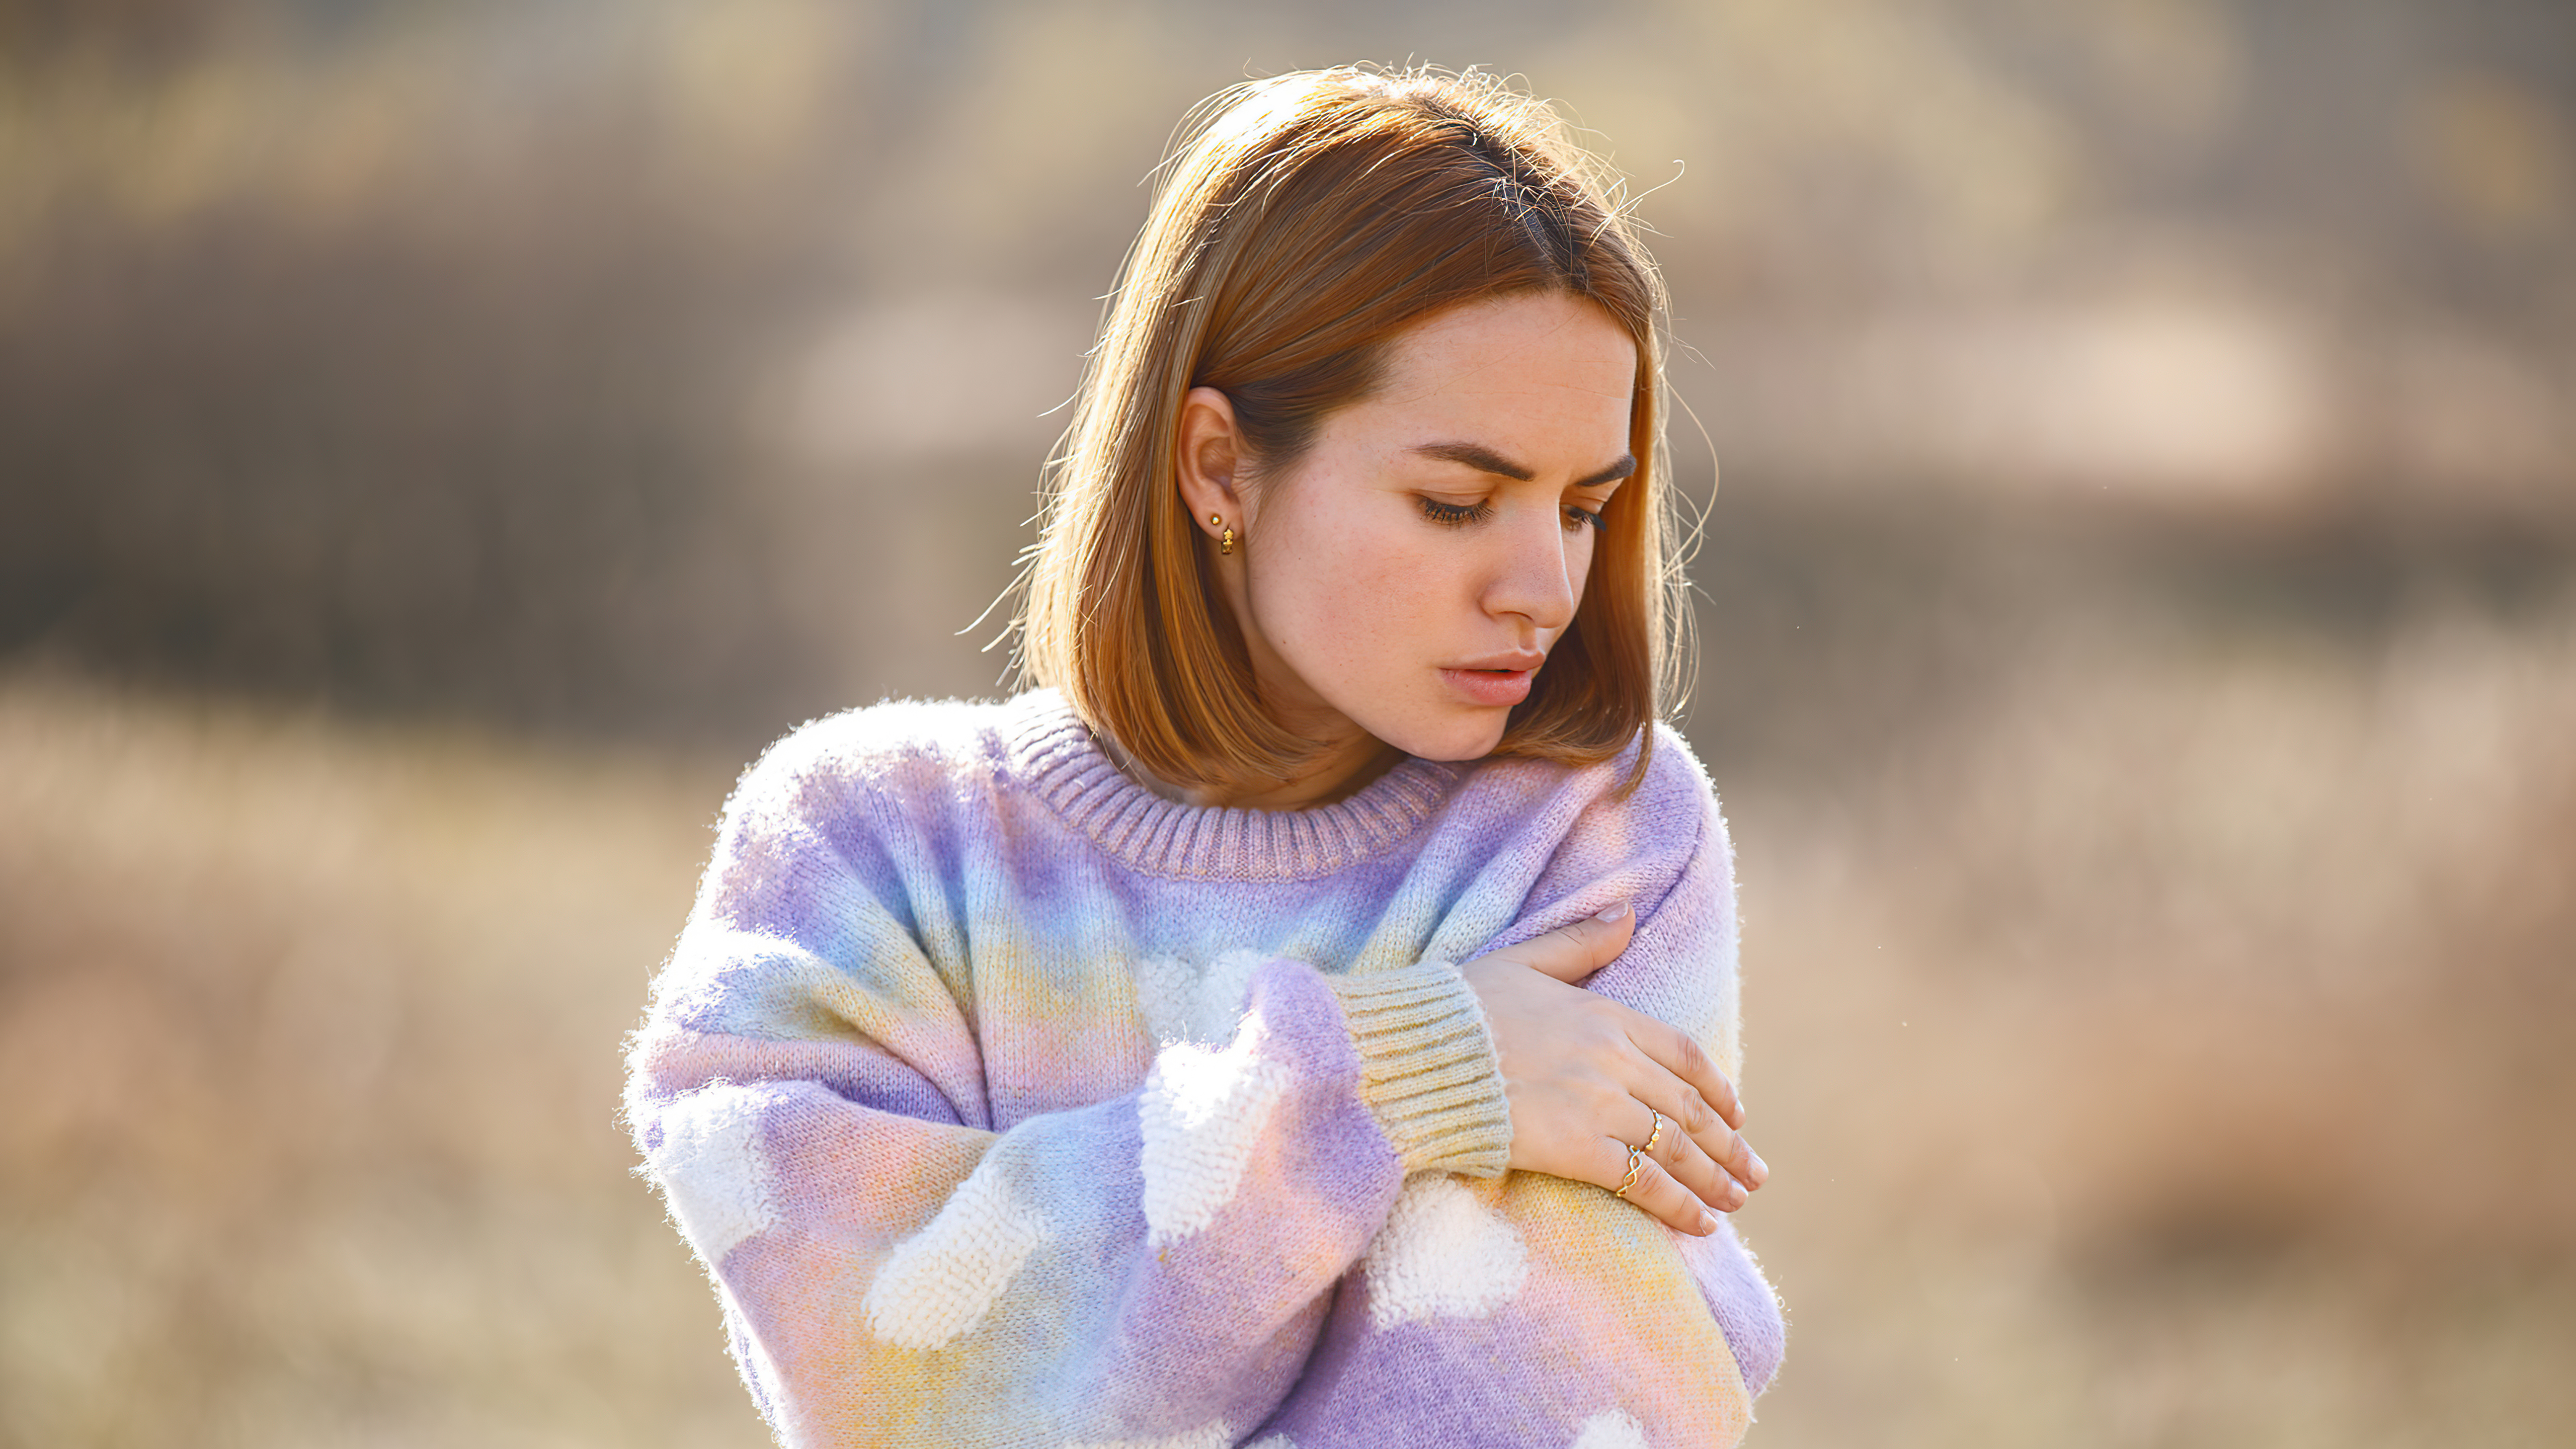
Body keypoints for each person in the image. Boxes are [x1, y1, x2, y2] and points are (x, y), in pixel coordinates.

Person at [625, 65, 1786, 1449]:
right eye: (1456, 500)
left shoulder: (1598, 839)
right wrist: (1407, 1073)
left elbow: (1565, 1398)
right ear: (1219, 467)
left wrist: (1070, 1247)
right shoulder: (869, 856)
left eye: (1585, 506)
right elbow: (893, 1389)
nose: (1543, 583)